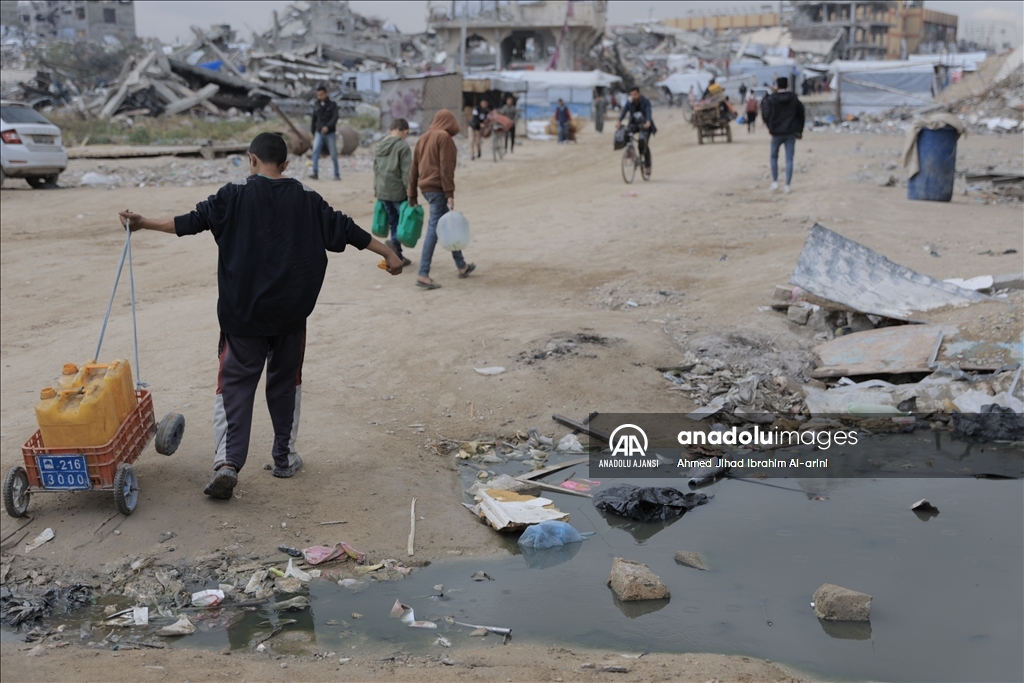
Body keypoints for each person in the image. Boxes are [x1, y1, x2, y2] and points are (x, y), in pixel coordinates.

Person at [118, 133, 403, 500]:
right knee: (286, 385)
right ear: (285, 164)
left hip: (242, 319)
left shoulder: (232, 197)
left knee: (234, 389)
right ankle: (283, 458)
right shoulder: (308, 200)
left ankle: (226, 464)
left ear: (251, 160)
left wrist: (142, 223)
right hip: (290, 317)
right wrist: (389, 252)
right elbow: (349, 231)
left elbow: (188, 222)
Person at [408, 110, 475, 290]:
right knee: (434, 228)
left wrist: (412, 195)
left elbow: (413, 169)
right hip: (438, 189)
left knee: (448, 226)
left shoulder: (423, 138)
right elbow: (446, 168)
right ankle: (423, 273)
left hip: (425, 189)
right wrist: (449, 193)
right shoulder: (444, 137)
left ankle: (462, 266)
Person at [374, 117, 413, 266]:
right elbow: (406, 173)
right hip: (397, 191)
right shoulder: (403, 147)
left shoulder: (379, 146)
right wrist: (411, 193)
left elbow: (376, 169)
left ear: (391, 130)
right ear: (405, 131)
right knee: (401, 222)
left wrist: (376, 189)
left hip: (382, 190)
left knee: (393, 221)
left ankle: (398, 257)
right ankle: (394, 243)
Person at [760, 76, 805, 194]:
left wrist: (770, 127)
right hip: (790, 132)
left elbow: (765, 114)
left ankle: (775, 182)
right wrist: (799, 131)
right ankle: (787, 185)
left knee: (774, 157)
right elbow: (801, 115)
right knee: (789, 159)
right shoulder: (794, 99)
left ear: (777, 86)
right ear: (787, 85)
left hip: (776, 133)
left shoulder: (771, 99)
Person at [616, 86, 656, 177]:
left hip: (645, 125)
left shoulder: (645, 101)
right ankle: (630, 153)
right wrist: (619, 121)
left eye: (635, 94)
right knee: (626, 133)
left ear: (639, 93)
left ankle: (647, 165)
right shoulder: (629, 102)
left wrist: (648, 122)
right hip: (634, 124)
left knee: (643, 143)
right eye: (632, 95)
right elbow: (624, 112)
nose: (634, 97)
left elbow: (648, 111)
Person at [310, 85, 340, 181]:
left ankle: (336, 174)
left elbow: (335, 117)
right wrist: (312, 131)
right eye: (318, 95)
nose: (320, 97)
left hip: (330, 133)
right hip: (319, 133)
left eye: (322, 94)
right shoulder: (316, 105)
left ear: (326, 93)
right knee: (315, 152)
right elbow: (314, 119)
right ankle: (315, 173)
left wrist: (328, 127)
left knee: (333, 154)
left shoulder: (332, 105)